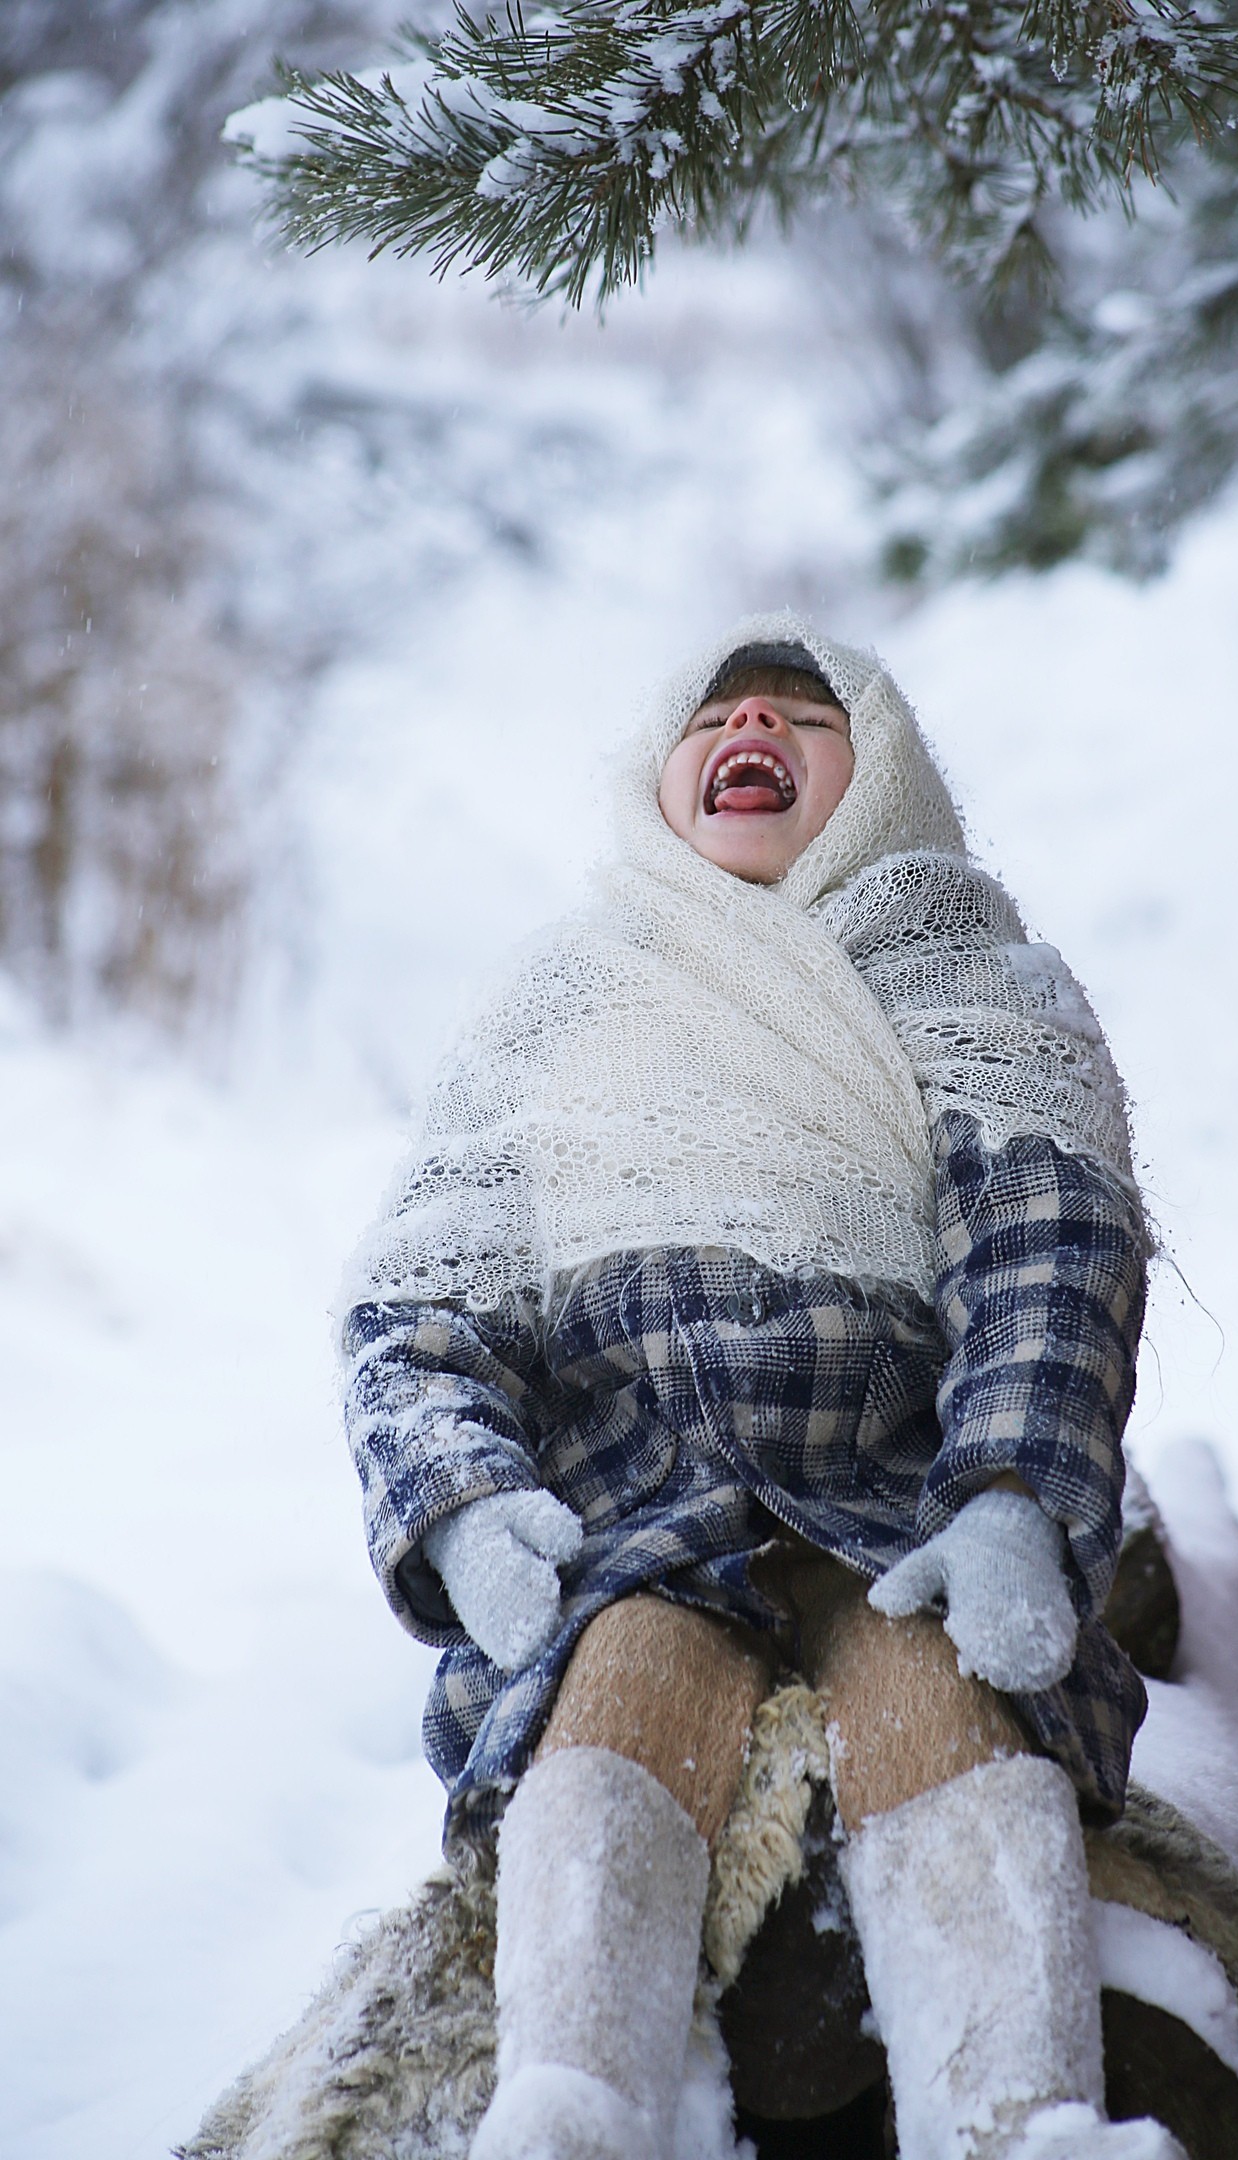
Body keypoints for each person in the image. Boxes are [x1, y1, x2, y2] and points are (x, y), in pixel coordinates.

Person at [339, 616, 1184, 2160]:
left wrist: (1006, 1499)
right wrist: (461, 1505)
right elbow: (422, 1293)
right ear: (657, 778)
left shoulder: (972, 975)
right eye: (718, 714)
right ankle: (574, 2104)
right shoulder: (562, 1001)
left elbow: (1052, 1243)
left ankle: (1022, 2115)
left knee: (946, 1699)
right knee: (617, 1696)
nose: (759, 732)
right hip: (628, 1524)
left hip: (894, 1512)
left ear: (886, 776)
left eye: (809, 715)